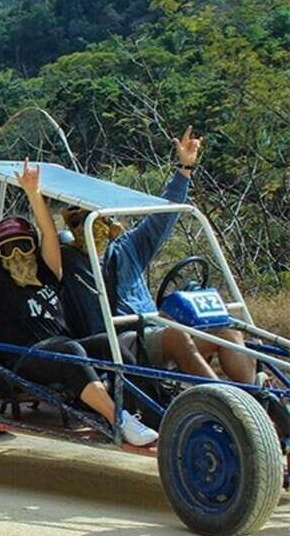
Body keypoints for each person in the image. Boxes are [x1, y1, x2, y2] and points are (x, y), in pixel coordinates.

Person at [0, 160, 159, 446]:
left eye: (23, 245)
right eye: (7, 248)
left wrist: (33, 192)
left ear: (33, 247)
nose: (17, 254)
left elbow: (48, 232)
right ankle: (120, 421)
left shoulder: (48, 271)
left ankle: (155, 416)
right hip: (20, 360)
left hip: (60, 350)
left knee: (113, 345)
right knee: (69, 349)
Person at [59, 126, 255, 384]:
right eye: (78, 221)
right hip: (117, 342)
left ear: (109, 224)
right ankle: (229, 405)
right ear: (71, 228)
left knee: (226, 329)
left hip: (154, 331)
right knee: (175, 336)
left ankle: (255, 402)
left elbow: (163, 218)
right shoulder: (67, 261)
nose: (88, 227)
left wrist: (184, 169)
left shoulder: (128, 247)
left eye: (94, 220)